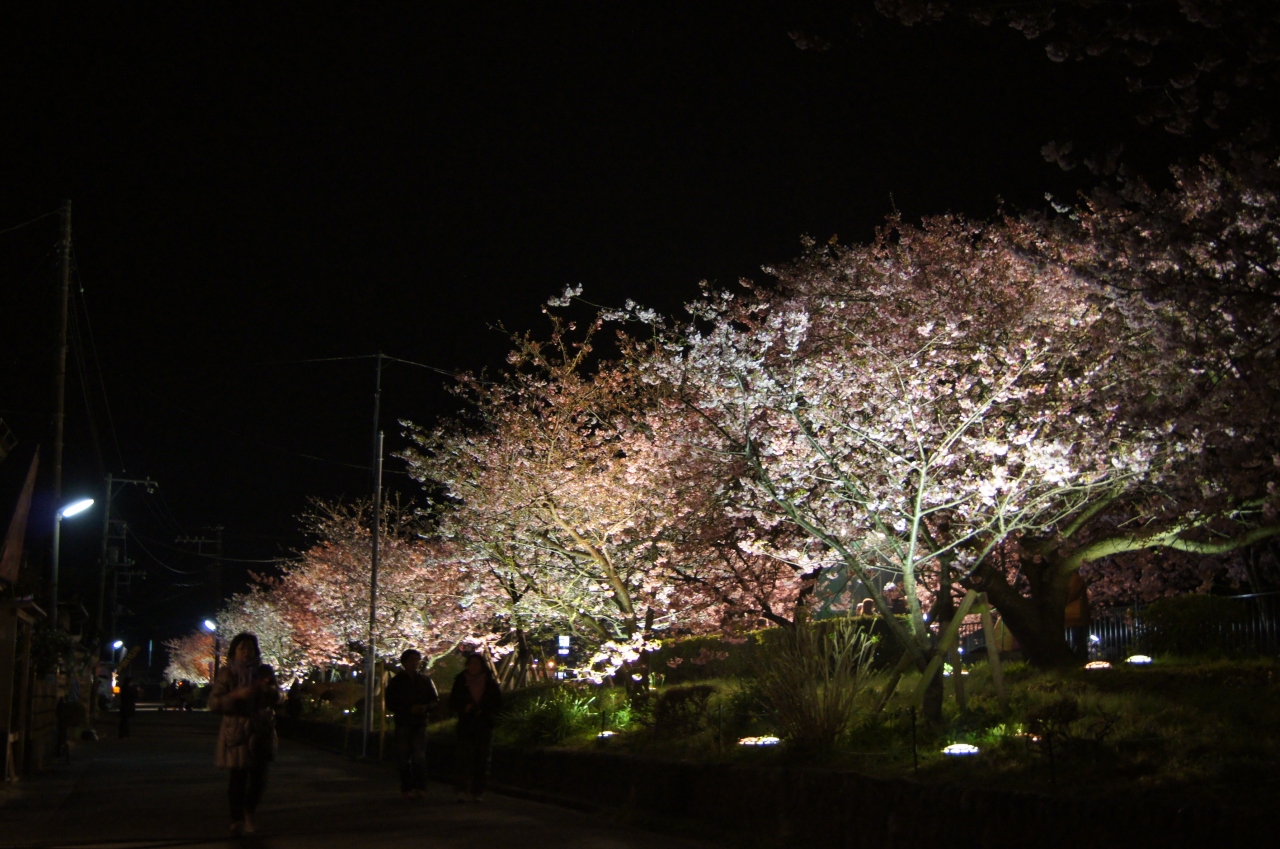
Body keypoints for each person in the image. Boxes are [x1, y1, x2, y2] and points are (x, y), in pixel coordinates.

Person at [208, 633, 281, 837]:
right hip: (237, 732)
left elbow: (279, 697)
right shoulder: (227, 674)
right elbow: (214, 703)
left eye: (250, 648)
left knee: (259, 779)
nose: (246, 652)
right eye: (242, 648)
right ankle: (236, 819)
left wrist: (270, 691)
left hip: (260, 730)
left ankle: (250, 811)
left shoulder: (264, 671)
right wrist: (234, 696)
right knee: (238, 778)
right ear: (234, 651)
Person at [385, 649, 439, 799]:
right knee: (403, 757)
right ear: (404, 662)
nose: (414, 663)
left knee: (418, 756)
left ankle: (420, 787)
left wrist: (424, 708)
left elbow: (434, 700)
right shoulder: (397, 682)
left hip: (420, 722)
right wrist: (407, 709)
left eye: (416, 660)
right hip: (403, 722)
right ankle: (407, 787)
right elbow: (391, 702)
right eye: (411, 660)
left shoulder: (425, 680)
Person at [448, 653, 502, 802]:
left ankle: (476, 791)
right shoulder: (461, 681)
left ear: (482, 666)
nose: (473, 666)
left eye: (476, 663)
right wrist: (464, 707)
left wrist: (483, 709)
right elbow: (453, 702)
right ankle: (461, 790)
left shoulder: (490, 683)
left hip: (484, 725)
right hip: (466, 725)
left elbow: (498, 702)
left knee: (482, 759)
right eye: (470, 663)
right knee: (463, 758)